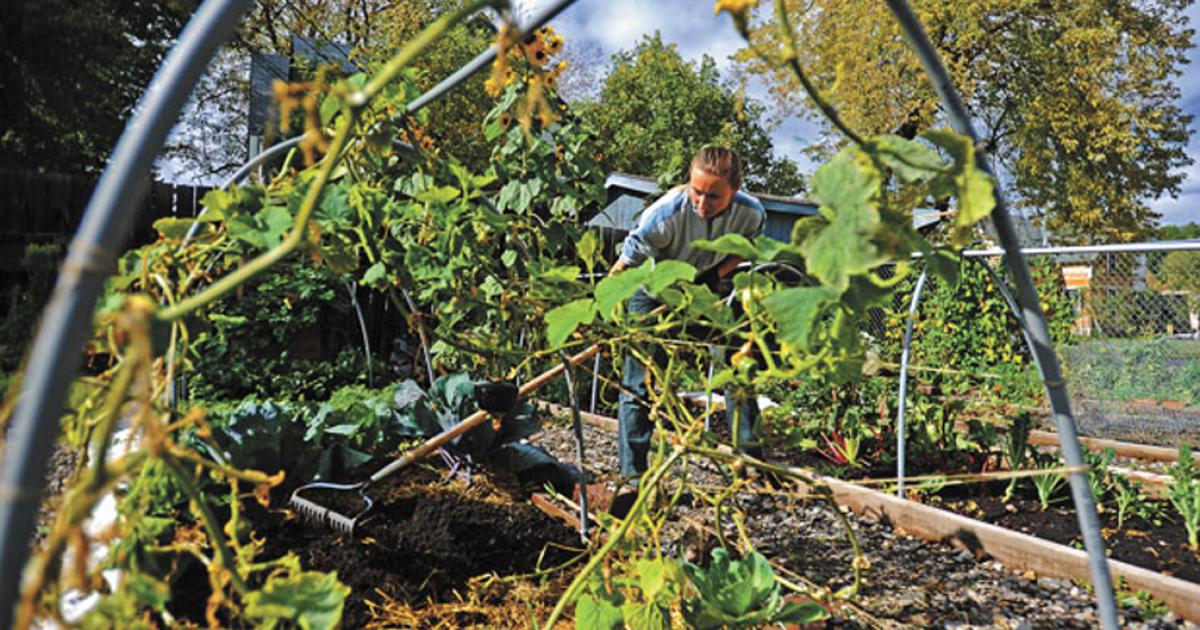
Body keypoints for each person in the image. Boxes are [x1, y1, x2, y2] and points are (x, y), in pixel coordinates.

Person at [610, 146, 766, 484]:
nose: (702, 203)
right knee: (641, 380)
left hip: (707, 290)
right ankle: (633, 476)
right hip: (654, 292)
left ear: (734, 191)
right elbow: (626, 265)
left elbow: (745, 248)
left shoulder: (750, 213)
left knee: (737, 366)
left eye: (714, 196)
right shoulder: (665, 214)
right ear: (688, 184)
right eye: (697, 192)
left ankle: (752, 463)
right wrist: (602, 309)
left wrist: (715, 277)